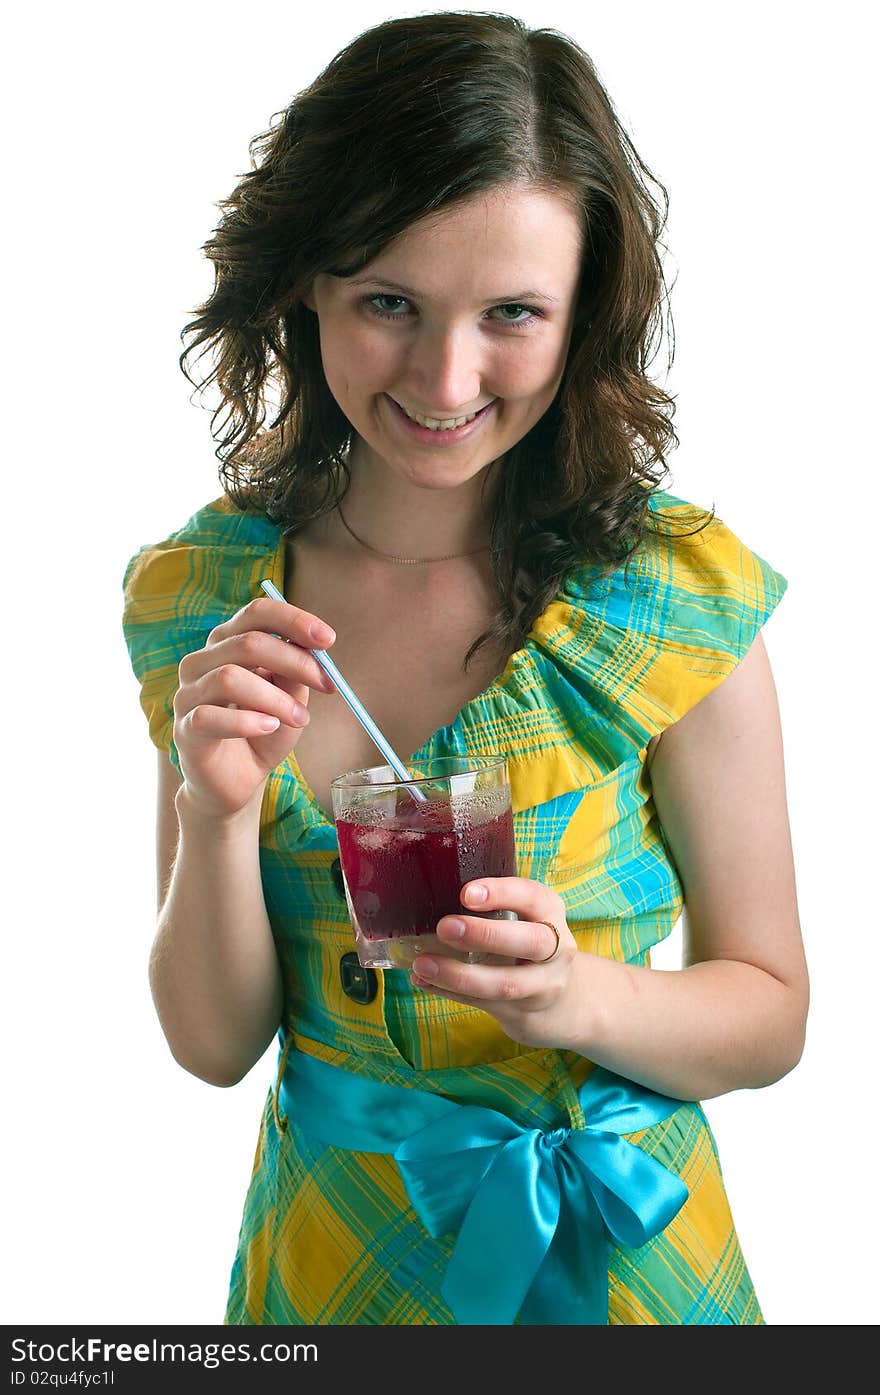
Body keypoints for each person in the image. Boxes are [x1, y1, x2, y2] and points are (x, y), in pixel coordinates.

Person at [121, 10, 808, 1326]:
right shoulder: (215, 605)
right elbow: (214, 1049)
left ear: (583, 314)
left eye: (511, 313)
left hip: (619, 1262)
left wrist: (577, 993)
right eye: (390, 301)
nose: (446, 376)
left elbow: (770, 1015)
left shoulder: (666, 602)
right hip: (337, 1263)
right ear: (305, 286)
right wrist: (214, 814)